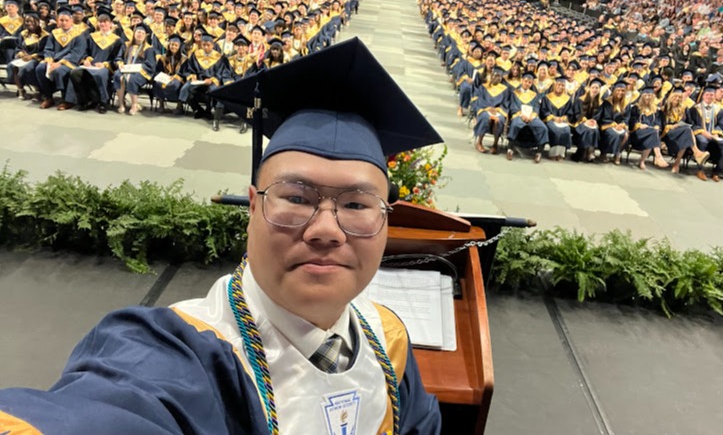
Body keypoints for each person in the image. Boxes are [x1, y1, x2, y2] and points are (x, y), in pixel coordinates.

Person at [0, 38, 443, 434]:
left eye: (356, 205)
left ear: (386, 220)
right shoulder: (184, 354)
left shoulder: (388, 340)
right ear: (253, 206)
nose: (326, 230)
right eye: (296, 197)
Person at [688, 85, 723, 182]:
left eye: (712, 95)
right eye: (707, 95)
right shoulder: (695, 108)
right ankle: (700, 170)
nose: (709, 97)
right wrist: (702, 132)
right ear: (703, 96)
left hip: (714, 135)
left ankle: (717, 172)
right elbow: (691, 124)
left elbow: (722, 125)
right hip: (701, 134)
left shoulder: (719, 109)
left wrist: (716, 133)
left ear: (714, 96)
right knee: (702, 141)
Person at [506, 73, 548, 162]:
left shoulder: (534, 95)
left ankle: (539, 152)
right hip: (519, 115)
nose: (527, 84)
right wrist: (521, 115)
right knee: (515, 125)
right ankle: (510, 149)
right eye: (526, 81)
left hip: (531, 117)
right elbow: (513, 106)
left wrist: (532, 115)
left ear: (532, 83)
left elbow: (536, 107)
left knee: (543, 128)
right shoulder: (515, 93)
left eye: (529, 82)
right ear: (522, 81)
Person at [628, 86, 670, 171]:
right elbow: (631, 121)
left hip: (651, 134)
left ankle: (643, 161)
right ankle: (657, 157)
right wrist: (639, 125)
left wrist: (657, 126)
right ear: (642, 96)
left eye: (650, 96)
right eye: (646, 95)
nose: (647, 98)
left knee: (653, 133)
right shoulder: (636, 108)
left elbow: (658, 123)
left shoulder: (656, 111)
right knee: (653, 133)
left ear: (653, 97)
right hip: (637, 135)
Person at [596, 80, 630, 165]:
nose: (620, 92)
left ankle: (617, 153)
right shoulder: (607, 102)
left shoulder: (626, 103)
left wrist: (622, 124)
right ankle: (604, 153)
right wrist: (614, 124)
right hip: (607, 125)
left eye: (622, 91)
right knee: (612, 134)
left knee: (625, 135)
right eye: (618, 90)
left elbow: (626, 117)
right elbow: (605, 117)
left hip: (620, 126)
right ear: (614, 91)